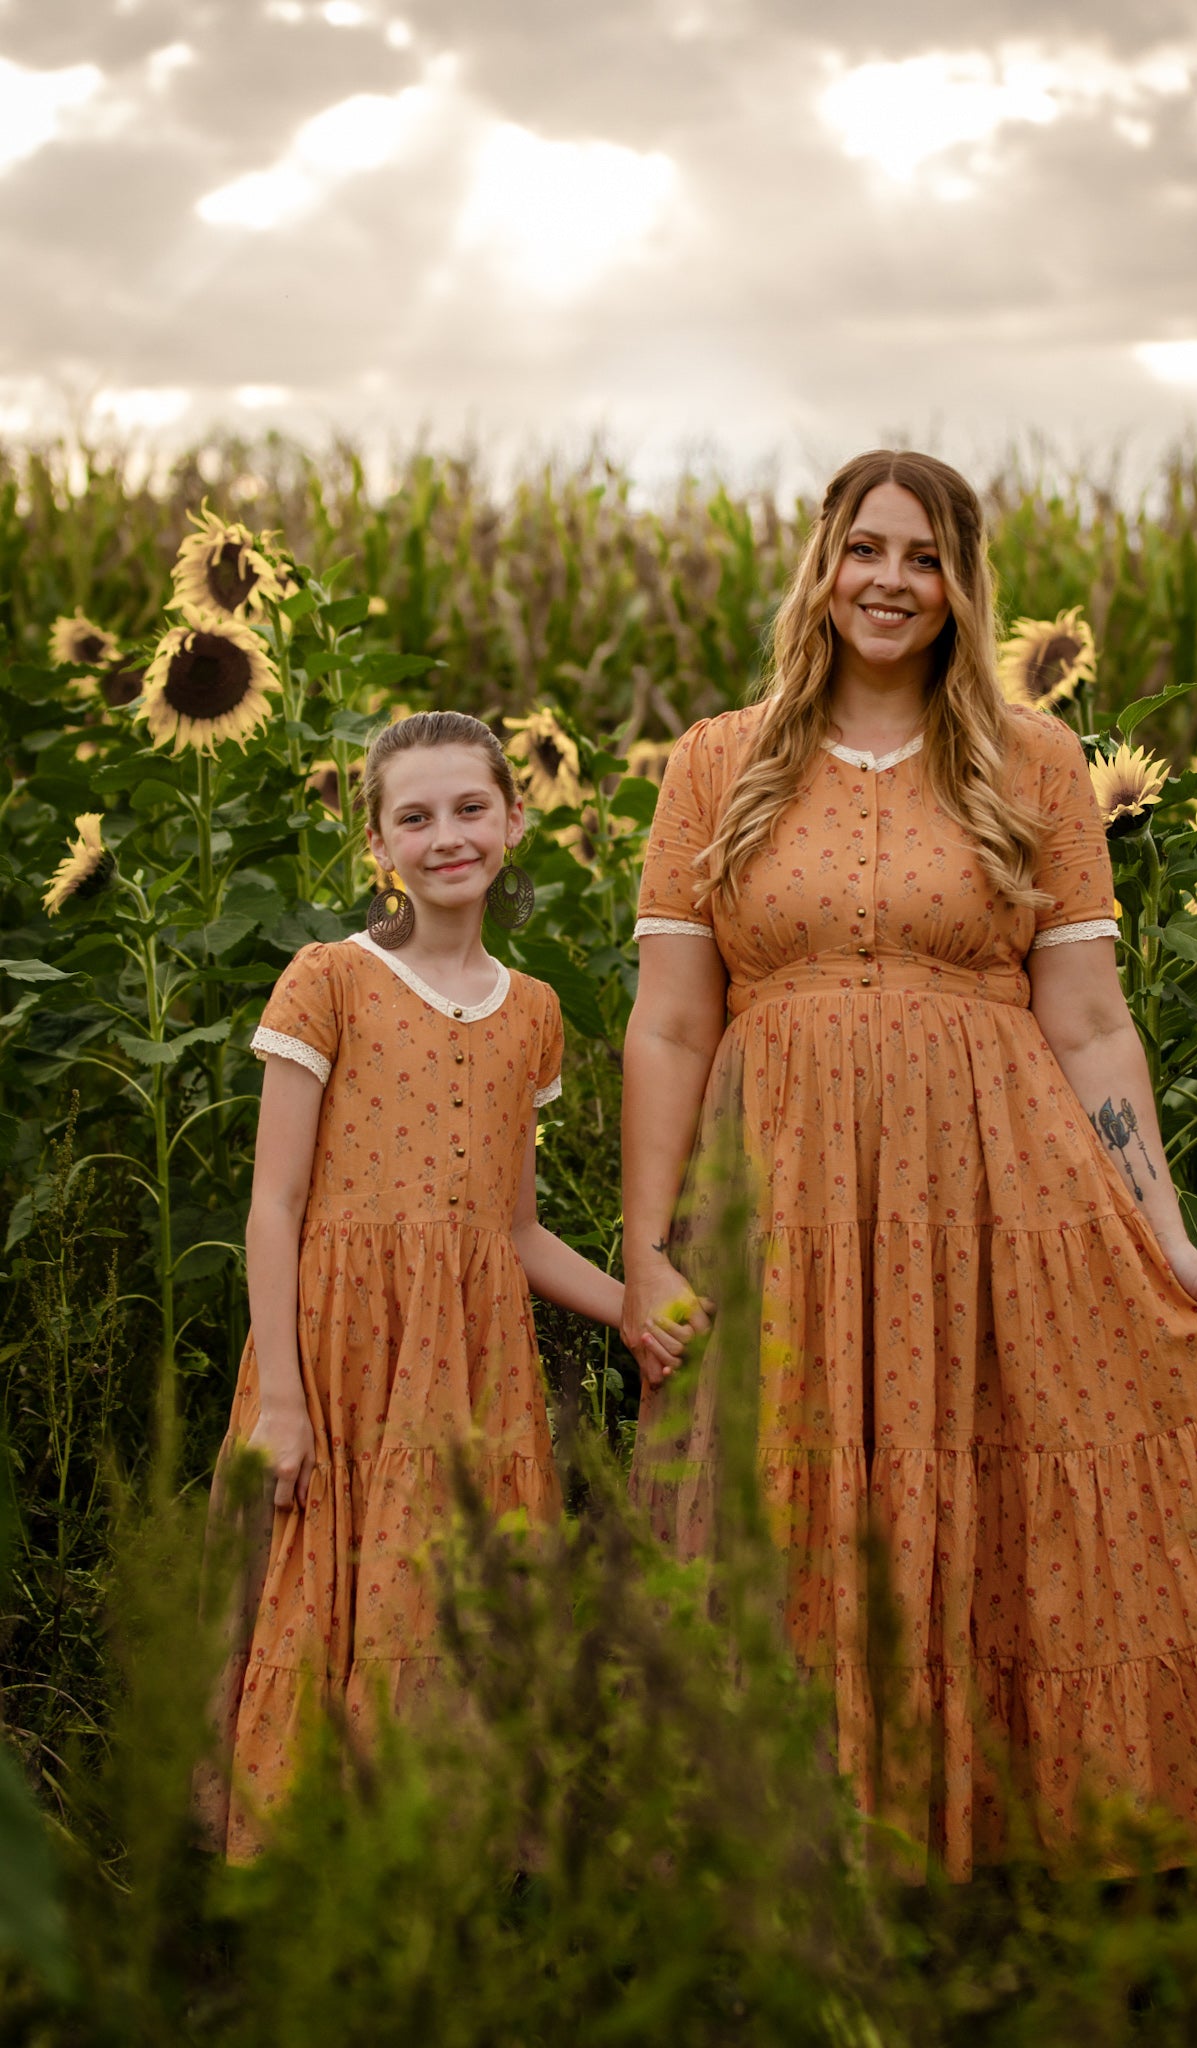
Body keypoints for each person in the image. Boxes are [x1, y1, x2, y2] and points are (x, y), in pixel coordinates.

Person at [620, 450, 1197, 1879]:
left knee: (1009, 1489)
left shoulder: (1035, 764)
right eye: (865, 549)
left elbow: (1087, 1024)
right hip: (783, 1191)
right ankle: (796, 1857)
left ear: (962, 585)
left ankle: (996, 1858)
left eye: (924, 556)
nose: (890, 581)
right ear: (822, 566)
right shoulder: (719, 760)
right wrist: (649, 1251)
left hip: (999, 1187)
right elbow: (668, 1023)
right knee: (789, 1485)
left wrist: (1168, 1232)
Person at [200, 710, 679, 1860]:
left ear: (515, 818)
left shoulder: (532, 1014)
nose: (447, 834)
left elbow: (510, 1232)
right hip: (334, 1348)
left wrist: (634, 1304)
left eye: (470, 808)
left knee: (446, 1586)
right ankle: (309, 1859)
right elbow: (273, 1205)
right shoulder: (329, 980)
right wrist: (282, 1400)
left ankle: (437, 1849)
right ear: (379, 845)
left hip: (466, 1363)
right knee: (325, 1585)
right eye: (414, 816)